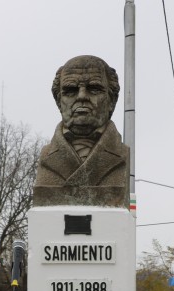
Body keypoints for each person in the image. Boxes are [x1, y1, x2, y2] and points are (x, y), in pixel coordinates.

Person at [33, 55, 130, 206]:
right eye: (71, 90)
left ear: (111, 100)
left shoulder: (122, 154)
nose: (82, 96)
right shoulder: (47, 157)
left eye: (94, 89)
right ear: (59, 101)